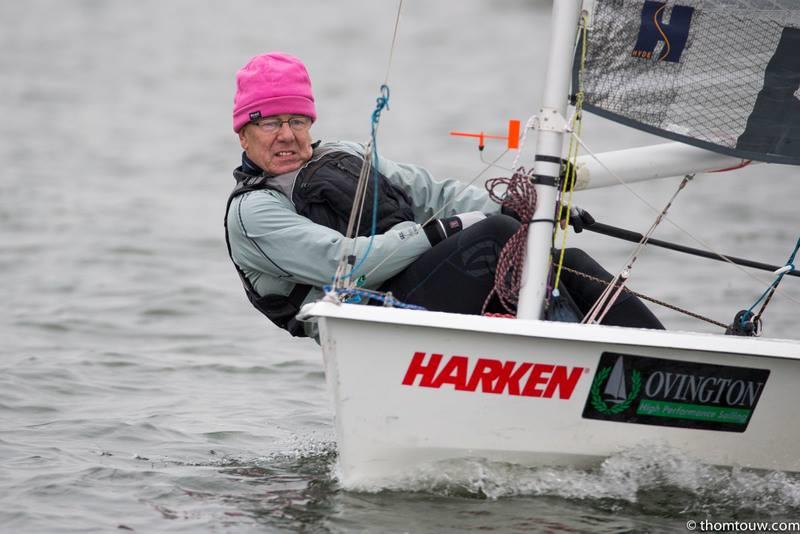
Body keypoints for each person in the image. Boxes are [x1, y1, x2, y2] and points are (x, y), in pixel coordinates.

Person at [224, 52, 663, 338]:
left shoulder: (345, 153)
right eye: (270, 123)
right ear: (243, 134)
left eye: (297, 121)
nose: (287, 135)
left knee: (563, 257)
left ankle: (660, 355)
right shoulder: (252, 211)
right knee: (493, 237)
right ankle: (564, 356)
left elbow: (433, 193)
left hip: (419, 293)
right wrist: (443, 232)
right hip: (368, 325)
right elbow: (342, 264)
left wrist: (535, 210)